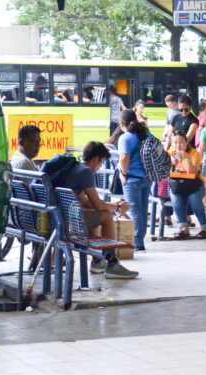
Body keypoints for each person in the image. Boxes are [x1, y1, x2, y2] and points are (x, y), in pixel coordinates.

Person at [58, 141, 138, 279]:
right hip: (68, 221)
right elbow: (98, 205)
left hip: (61, 217)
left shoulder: (75, 167)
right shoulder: (85, 172)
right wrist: (118, 208)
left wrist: (113, 205)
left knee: (97, 215)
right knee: (106, 216)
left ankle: (97, 261)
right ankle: (112, 264)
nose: (100, 167)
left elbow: (86, 202)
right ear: (96, 159)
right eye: (101, 163)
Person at [117, 109, 151, 251]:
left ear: (121, 123)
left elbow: (124, 157)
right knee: (142, 211)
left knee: (134, 211)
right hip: (147, 178)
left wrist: (123, 174)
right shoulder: (146, 134)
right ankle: (140, 240)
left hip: (131, 180)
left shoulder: (126, 137)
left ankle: (137, 242)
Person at [167, 131, 206, 239]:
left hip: (194, 185)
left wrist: (188, 158)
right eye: (175, 143)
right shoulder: (170, 152)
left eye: (181, 142)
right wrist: (171, 162)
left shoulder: (194, 153)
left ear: (186, 142)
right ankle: (183, 227)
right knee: (176, 197)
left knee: (194, 198)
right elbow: (165, 172)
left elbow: (192, 173)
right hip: (177, 185)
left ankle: (204, 228)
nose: (178, 145)